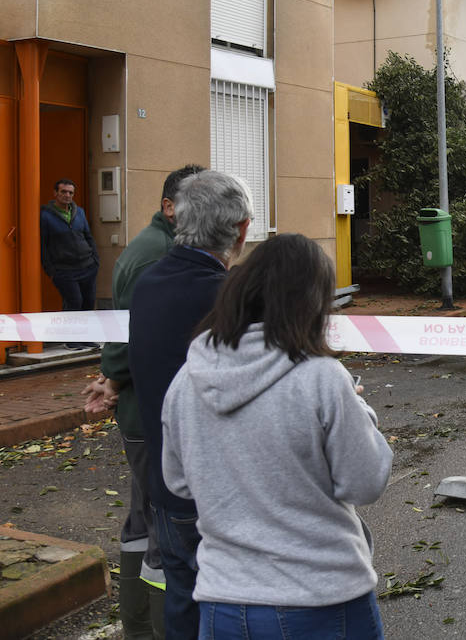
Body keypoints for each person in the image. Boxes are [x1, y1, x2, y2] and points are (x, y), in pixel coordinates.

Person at [162, 234, 392, 639]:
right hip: (321, 599)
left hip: (222, 604)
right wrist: (361, 410)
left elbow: (178, 482)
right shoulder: (322, 378)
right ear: (312, 303)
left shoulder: (187, 378)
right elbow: (365, 481)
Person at [83, 163, 204, 640]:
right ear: (169, 207)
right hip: (151, 413)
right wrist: (112, 377)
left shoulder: (154, 246)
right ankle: (154, 627)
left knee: (141, 518)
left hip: (140, 408)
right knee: (162, 531)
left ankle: (136, 625)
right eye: (194, 204)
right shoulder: (160, 255)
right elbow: (137, 333)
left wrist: (112, 377)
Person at [129, 170, 252, 639]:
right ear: (240, 230)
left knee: (183, 600)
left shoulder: (149, 282)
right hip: (221, 489)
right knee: (232, 610)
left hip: (166, 481)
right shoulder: (229, 298)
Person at [40, 177, 100, 312]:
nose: (67, 195)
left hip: (88, 267)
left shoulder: (80, 212)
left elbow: (88, 237)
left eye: (70, 193)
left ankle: (87, 333)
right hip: (64, 271)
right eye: (63, 192)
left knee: (88, 304)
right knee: (74, 303)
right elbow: (43, 245)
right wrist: (51, 271)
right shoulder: (45, 216)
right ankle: (69, 333)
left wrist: (95, 260)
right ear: (55, 193)